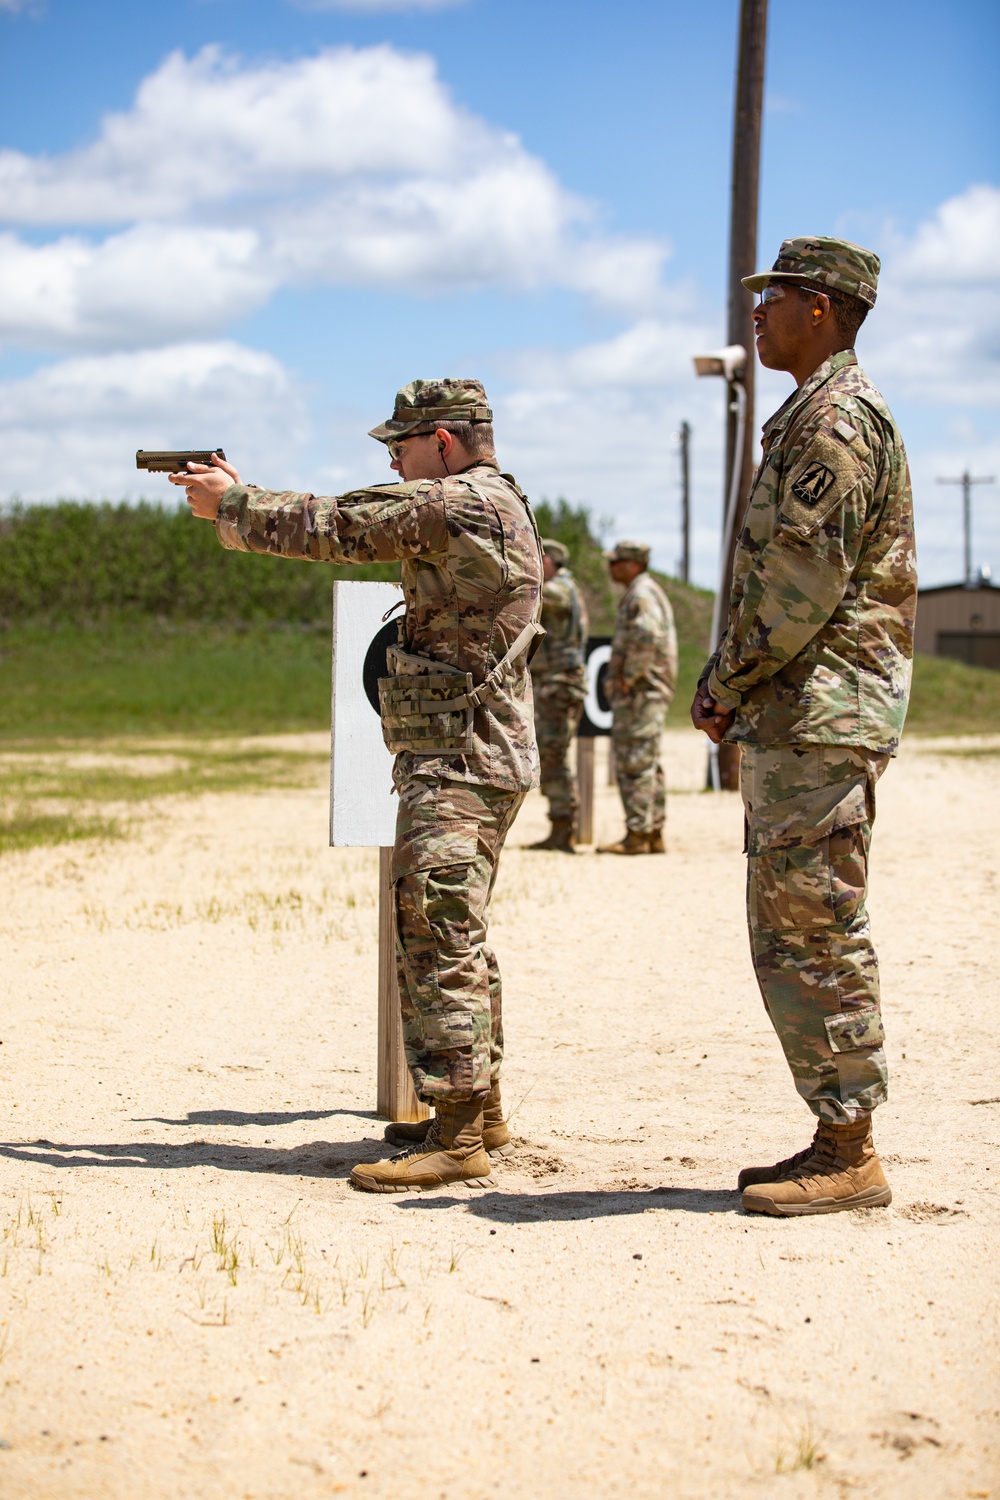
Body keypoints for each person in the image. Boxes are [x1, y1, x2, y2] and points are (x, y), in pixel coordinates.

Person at [170, 379, 543, 1193]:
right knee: (455, 929)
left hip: (461, 756)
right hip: (469, 751)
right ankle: (478, 1110)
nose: (392, 464)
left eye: (399, 448)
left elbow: (340, 525)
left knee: (436, 933)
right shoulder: (491, 500)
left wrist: (233, 506)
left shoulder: (466, 501)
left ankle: (458, 1133)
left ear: (442, 441)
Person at [690, 237, 917, 1216]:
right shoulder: (810, 414)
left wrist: (727, 681)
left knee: (814, 925)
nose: (754, 313)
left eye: (770, 296)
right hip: (807, 709)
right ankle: (833, 1132)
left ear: (819, 307)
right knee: (793, 926)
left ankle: (850, 1150)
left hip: (820, 707)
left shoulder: (834, 424)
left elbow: (798, 585)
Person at [597, 541, 677, 855]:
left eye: (616, 562)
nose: (611, 567)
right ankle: (652, 831)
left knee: (635, 762)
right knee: (647, 761)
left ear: (632, 565)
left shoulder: (642, 594)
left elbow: (646, 635)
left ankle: (638, 834)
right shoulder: (643, 591)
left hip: (641, 692)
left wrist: (629, 677)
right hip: (646, 690)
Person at [526, 538, 589, 852]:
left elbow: (530, 594)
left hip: (559, 685)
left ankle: (563, 828)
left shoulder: (560, 590)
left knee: (553, 755)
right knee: (552, 754)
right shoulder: (563, 589)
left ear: (551, 561)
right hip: (556, 684)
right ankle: (561, 827)